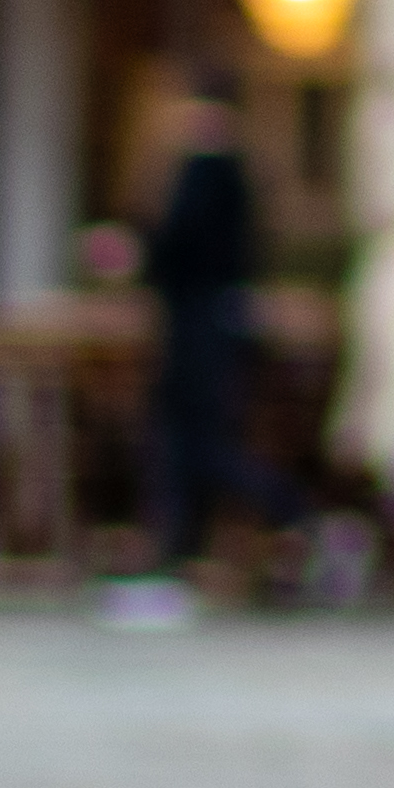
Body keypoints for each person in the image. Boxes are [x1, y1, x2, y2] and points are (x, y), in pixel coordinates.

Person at [128, 66, 310, 607]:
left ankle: (289, 510)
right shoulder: (240, 168)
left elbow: (174, 244)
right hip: (217, 316)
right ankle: (182, 545)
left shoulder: (207, 169)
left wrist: (139, 251)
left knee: (197, 437)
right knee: (190, 439)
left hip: (197, 321)